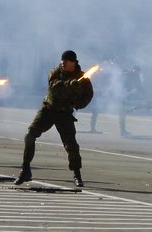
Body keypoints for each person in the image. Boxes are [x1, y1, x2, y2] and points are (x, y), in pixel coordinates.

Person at [15, 50, 94, 187]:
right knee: (30, 135)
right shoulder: (55, 72)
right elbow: (54, 86)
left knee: (72, 145)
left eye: (66, 61)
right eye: (62, 60)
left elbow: (88, 95)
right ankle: (25, 169)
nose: (63, 63)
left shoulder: (83, 77)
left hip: (65, 114)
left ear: (73, 62)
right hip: (48, 110)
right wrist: (69, 84)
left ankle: (77, 174)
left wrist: (78, 104)